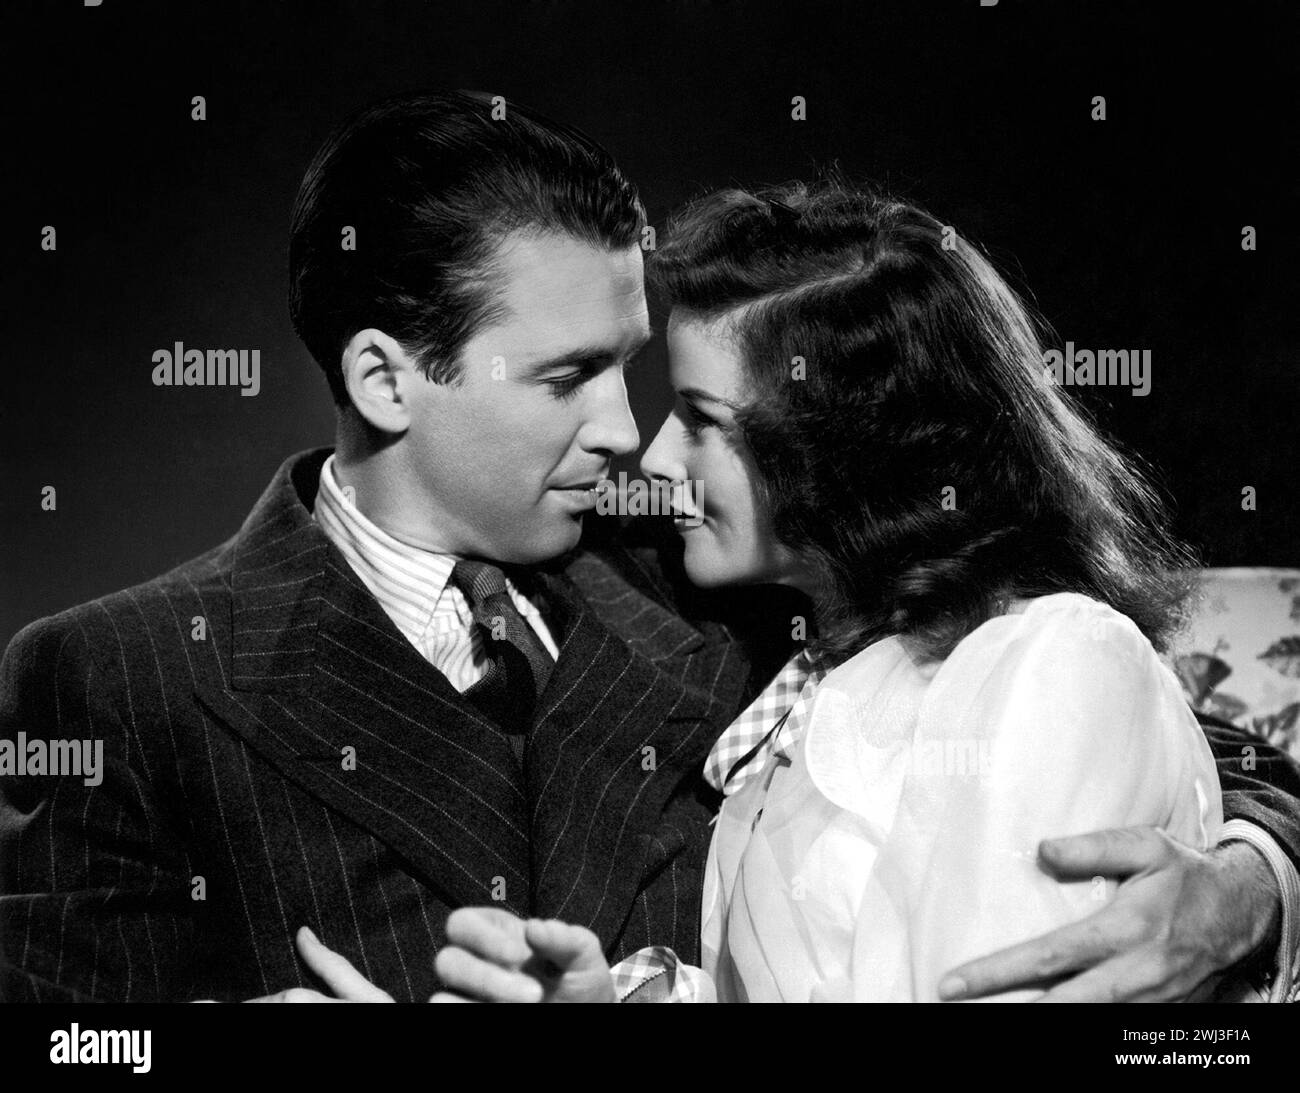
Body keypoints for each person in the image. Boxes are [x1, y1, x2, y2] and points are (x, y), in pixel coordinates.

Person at [0, 94, 1296, 1004]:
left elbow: (1153, 721)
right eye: (568, 377)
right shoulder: (113, 679)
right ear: (388, 380)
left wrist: (1247, 887)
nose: (629, 433)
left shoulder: (720, 568)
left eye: (629, 369)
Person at [421, 180, 1300, 1002]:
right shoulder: (815, 666)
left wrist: (1256, 874)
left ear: (843, 444)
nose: (648, 457)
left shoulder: (1050, 659)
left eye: (701, 420)